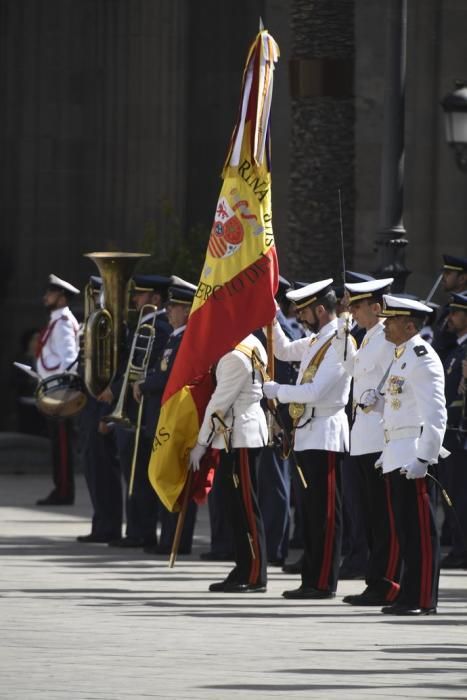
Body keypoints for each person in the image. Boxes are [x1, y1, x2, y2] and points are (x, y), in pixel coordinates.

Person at [263, 279, 351, 599]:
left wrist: (278, 392)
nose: (300, 318)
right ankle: (310, 578)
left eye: (304, 312)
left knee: (325, 514)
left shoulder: (340, 343)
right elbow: (284, 351)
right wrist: (271, 316)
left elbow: (316, 392)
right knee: (310, 513)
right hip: (308, 434)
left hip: (326, 433)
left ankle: (324, 581)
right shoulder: (317, 341)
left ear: (320, 310)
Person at [372, 294, 447, 615]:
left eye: (391, 321)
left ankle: (423, 598)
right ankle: (409, 593)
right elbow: (397, 409)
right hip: (396, 452)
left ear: (410, 325)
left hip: (413, 455)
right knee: (405, 530)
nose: (385, 325)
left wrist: (424, 457)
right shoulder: (401, 356)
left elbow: (435, 415)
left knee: (420, 532)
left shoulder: (422, 358)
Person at [331, 278, 401, 606]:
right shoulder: (368, 337)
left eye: (357, 306)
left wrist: (383, 400)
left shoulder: (387, 338)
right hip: (362, 435)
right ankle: (375, 579)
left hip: (380, 436)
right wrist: (344, 333)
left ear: (376, 307)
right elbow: (351, 369)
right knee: (368, 515)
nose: (352, 311)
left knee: (382, 517)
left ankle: (385, 582)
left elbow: (397, 382)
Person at [190, 333, 269, 593]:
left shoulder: (236, 355)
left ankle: (255, 572)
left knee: (246, 507)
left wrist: (201, 443)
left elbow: (219, 403)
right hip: (234, 435)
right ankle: (244, 565)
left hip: (241, 435)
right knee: (236, 508)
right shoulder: (249, 343)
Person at [99, 274, 171, 547]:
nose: (134, 300)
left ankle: (143, 531)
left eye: (140, 295)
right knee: (132, 475)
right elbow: (131, 367)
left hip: (142, 411)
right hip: (131, 410)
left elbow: (148, 370)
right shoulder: (144, 325)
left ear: (155, 299)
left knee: (140, 476)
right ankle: (136, 530)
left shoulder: (159, 327)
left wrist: (117, 392)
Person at [134, 277, 199, 555]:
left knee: (177, 478)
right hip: (166, 416)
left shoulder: (187, 338)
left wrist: (143, 384)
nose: (169, 310)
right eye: (170, 305)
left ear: (186, 310)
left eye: (174, 307)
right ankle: (168, 537)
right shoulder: (175, 337)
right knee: (166, 475)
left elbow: (169, 377)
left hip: (180, 418)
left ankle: (177, 540)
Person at [77, 276, 123, 543]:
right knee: (92, 468)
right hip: (89, 401)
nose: (92, 300)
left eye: (96, 294)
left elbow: (118, 370)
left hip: (103, 403)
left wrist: (108, 413)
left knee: (104, 468)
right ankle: (100, 523)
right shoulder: (91, 325)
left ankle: (110, 525)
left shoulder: (112, 325)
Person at [36, 274, 80, 505]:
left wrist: (62, 393)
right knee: (57, 445)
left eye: (50, 293)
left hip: (60, 394)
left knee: (62, 446)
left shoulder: (62, 322)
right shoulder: (56, 320)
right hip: (53, 390)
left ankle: (64, 491)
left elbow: (69, 360)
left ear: (62, 297)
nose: (46, 297)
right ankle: (60, 488)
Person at [439, 292, 467, 569]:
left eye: (457, 313)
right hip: (452, 433)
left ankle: (462, 549)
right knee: (454, 496)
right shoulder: (456, 348)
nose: (451, 318)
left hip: (461, 433)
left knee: (461, 496)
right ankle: (459, 547)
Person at [432, 254, 467, 361]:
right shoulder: (450, 304)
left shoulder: (463, 305)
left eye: (447, 274)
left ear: (462, 278)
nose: (443, 277)